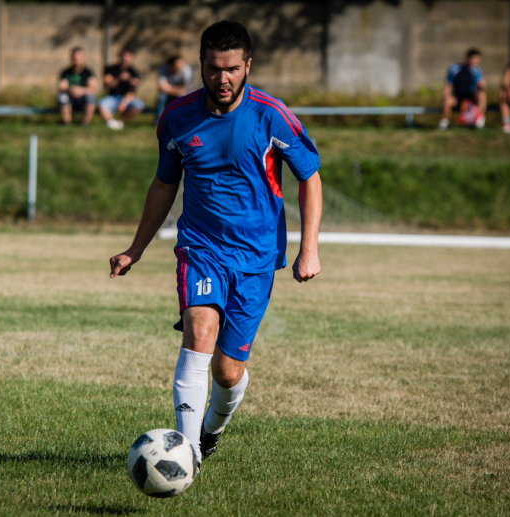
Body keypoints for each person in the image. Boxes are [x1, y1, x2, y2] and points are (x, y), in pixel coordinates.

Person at [108, 21, 322, 471]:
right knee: (198, 334)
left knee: (227, 371)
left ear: (247, 66)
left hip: (257, 257)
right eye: (211, 69)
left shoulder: (272, 116)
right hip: (201, 248)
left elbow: (310, 178)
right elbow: (164, 186)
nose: (221, 79)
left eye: (230, 69)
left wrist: (310, 248)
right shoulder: (176, 118)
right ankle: (186, 458)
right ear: (200, 67)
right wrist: (136, 249)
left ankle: (211, 430)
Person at [438, 48, 486, 130]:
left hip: (470, 98)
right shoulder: (454, 68)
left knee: (482, 95)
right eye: (475, 59)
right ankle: (443, 124)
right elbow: (448, 85)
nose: (476, 62)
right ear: (468, 58)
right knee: (448, 101)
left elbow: (480, 85)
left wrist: (481, 85)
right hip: (457, 97)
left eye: (478, 60)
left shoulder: (476, 70)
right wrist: (446, 95)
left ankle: (479, 121)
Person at [98, 49, 145, 130]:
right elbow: (107, 85)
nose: (125, 59)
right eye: (124, 56)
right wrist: (119, 78)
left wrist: (123, 103)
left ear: (131, 58)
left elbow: (132, 91)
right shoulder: (111, 69)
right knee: (101, 104)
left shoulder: (133, 71)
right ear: (120, 56)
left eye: (128, 56)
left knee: (139, 105)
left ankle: (120, 123)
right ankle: (111, 123)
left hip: (126, 98)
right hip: (112, 97)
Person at [58, 47, 97, 126]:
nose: (76, 59)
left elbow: (92, 87)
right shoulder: (65, 72)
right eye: (74, 57)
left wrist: (82, 91)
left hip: (83, 97)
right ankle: (68, 123)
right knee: (62, 96)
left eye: (78, 57)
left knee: (90, 97)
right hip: (70, 96)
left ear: (83, 58)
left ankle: (84, 123)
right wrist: (71, 90)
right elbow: (62, 86)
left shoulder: (88, 72)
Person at [155, 55, 194, 124]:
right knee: (161, 97)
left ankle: (181, 122)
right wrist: (175, 90)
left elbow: (185, 88)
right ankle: (159, 122)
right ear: (171, 66)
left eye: (182, 64)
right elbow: (162, 87)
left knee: (184, 98)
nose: (180, 66)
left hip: (181, 93)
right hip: (168, 94)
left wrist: (170, 88)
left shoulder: (186, 70)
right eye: (178, 64)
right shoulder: (164, 68)